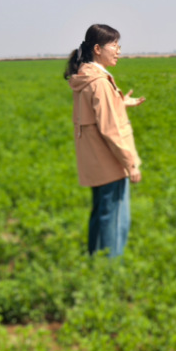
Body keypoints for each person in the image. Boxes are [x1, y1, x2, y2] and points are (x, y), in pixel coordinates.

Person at [64, 24, 145, 258]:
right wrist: (130, 164)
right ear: (98, 49)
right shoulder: (100, 82)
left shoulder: (85, 76)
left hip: (95, 161)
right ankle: (109, 270)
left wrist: (119, 102)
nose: (118, 51)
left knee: (101, 215)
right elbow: (110, 130)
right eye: (114, 45)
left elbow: (94, 114)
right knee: (115, 220)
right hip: (110, 163)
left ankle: (95, 262)